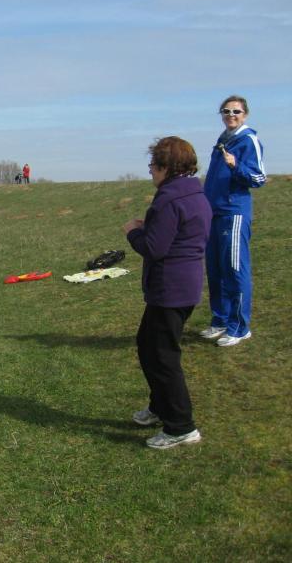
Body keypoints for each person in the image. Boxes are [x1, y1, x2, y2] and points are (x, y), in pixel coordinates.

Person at [123, 136, 212, 449]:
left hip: (170, 289)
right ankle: (160, 407)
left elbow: (154, 248)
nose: (150, 170)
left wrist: (133, 232)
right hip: (182, 285)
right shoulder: (193, 193)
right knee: (148, 345)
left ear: (166, 167)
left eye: (153, 165)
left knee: (163, 357)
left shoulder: (170, 199)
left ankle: (181, 427)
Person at [200, 95, 266, 347]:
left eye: (236, 111)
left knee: (235, 269)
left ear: (245, 114)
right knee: (215, 269)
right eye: (226, 111)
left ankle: (239, 327)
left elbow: (258, 178)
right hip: (214, 213)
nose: (231, 115)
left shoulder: (249, 140)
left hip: (233, 213)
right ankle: (220, 320)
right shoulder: (222, 140)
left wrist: (236, 165)